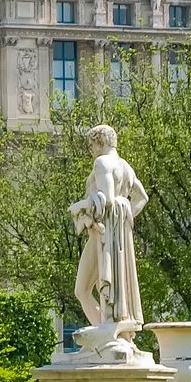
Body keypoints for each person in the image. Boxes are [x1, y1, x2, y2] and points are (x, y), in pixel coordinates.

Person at [69, 124, 149, 356]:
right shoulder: (125, 166)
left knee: (82, 289)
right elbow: (141, 198)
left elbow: (106, 200)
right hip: (117, 234)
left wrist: (80, 206)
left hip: (102, 234)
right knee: (100, 284)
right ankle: (112, 331)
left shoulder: (102, 163)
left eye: (92, 145)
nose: (91, 150)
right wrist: (125, 221)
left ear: (101, 142)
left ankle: (105, 334)